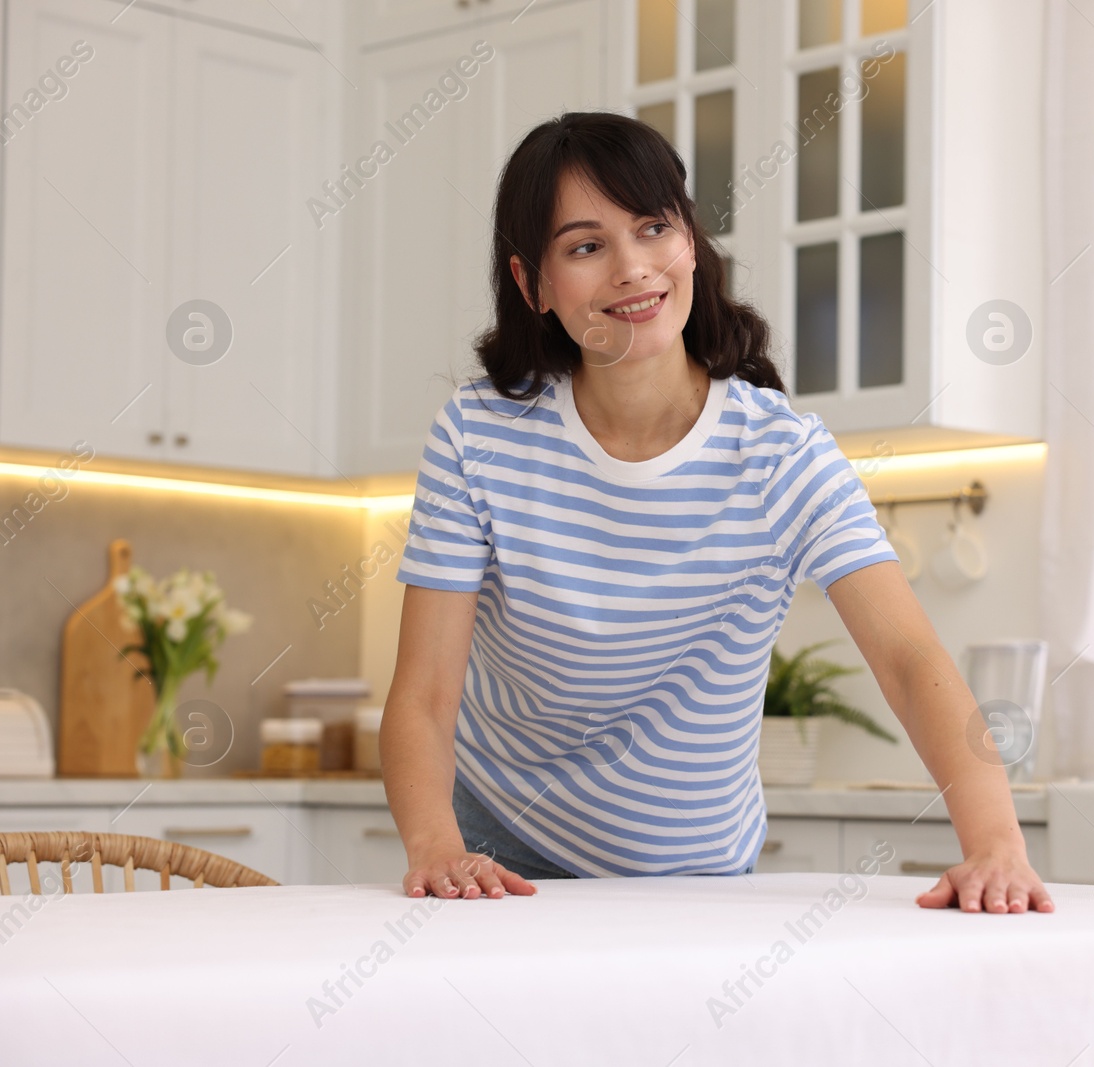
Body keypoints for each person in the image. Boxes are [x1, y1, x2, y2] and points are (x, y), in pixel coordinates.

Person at [381, 111, 1052, 915]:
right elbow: (423, 694)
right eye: (587, 246)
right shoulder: (479, 433)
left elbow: (911, 659)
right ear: (533, 285)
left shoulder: (781, 453)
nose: (633, 268)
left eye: (654, 227)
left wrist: (997, 846)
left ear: (690, 244)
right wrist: (436, 845)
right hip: (500, 860)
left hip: (699, 877)